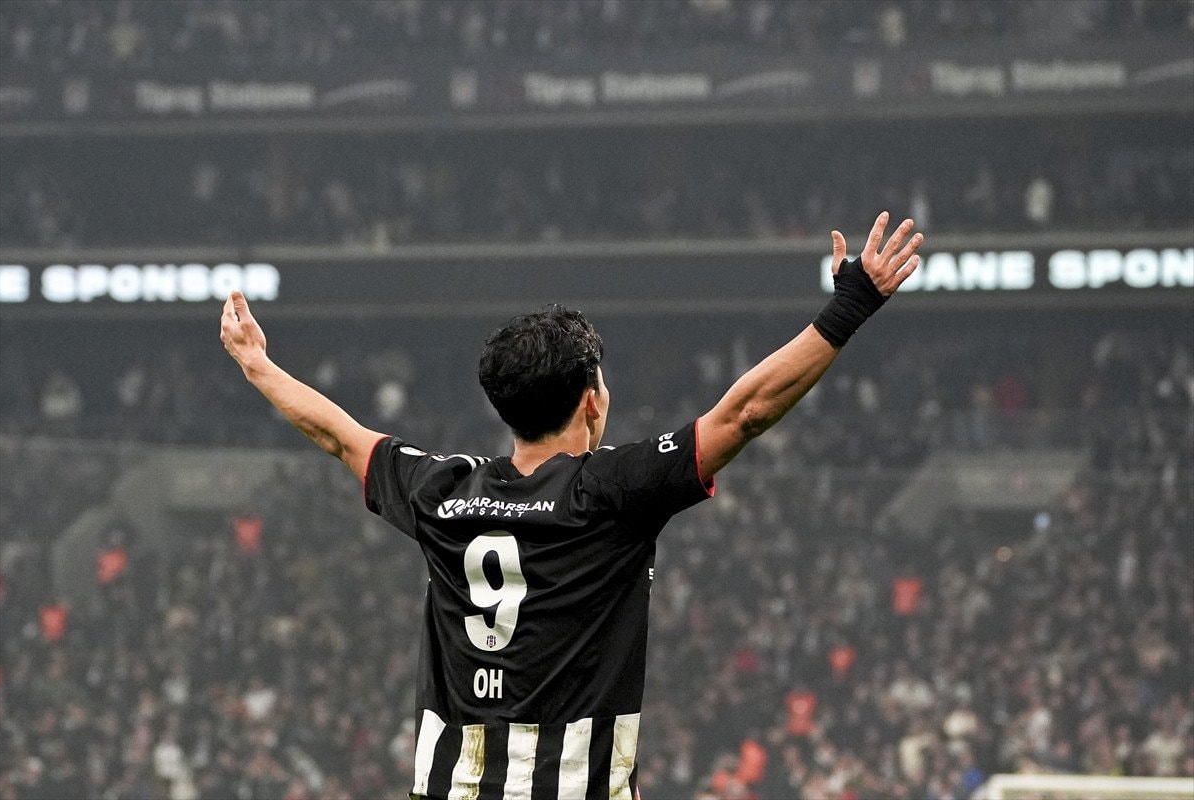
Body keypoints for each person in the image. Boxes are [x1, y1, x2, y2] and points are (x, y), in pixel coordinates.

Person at [219, 212, 923, 799]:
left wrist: (257, 364)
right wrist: (849, 307)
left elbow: (338, 434)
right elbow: (745, 413)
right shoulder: (612, 492)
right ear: (591, 400)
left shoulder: (441, 490)